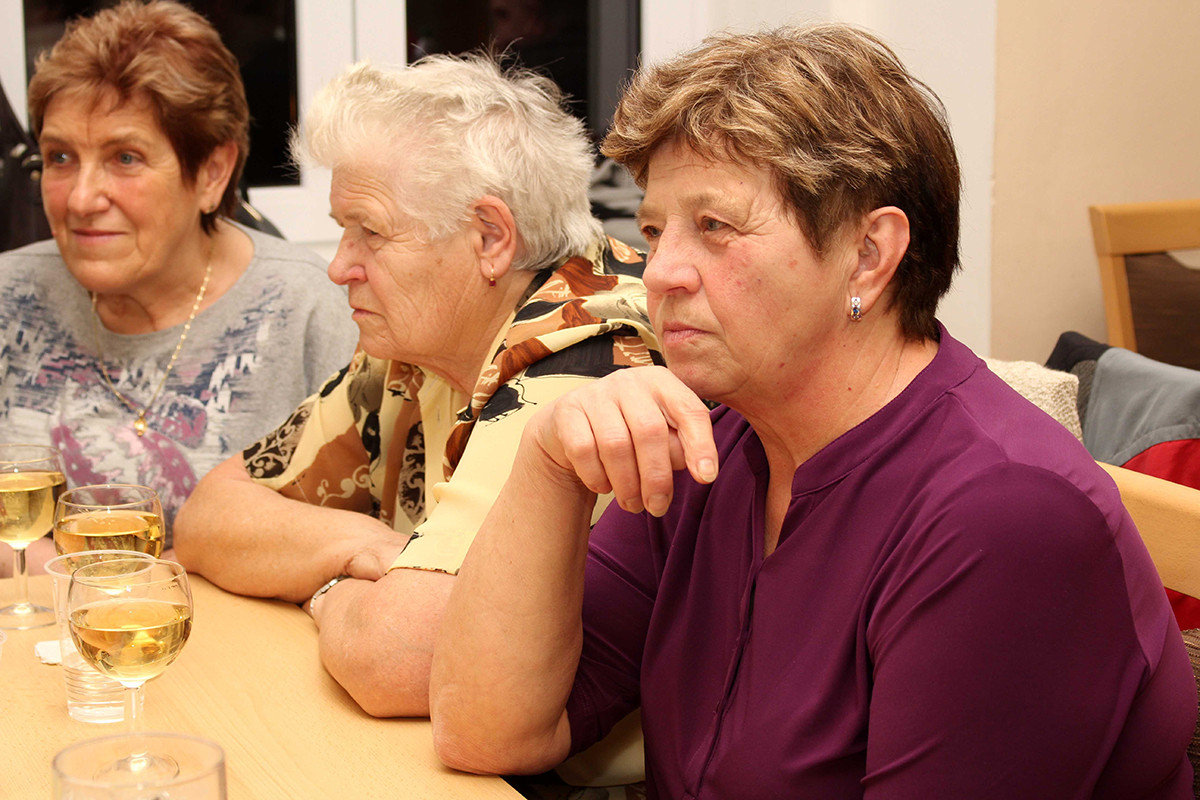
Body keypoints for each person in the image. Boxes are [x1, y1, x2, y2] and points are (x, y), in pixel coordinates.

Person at [430, 24, 1199, 797]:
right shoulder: (714, 440)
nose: (658, 272)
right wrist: (547, 463)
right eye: (656, 230)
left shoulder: (1005, 519)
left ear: (869, 254)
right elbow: (488, 729)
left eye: (715, 227)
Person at [172, 54, 659, 731]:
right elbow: (207, 517)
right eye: (342, 230)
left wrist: (325, 587)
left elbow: (398, 659)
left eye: (370, 232)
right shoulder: (418, 344)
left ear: (490, 237)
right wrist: (357, 543)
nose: (339, 266)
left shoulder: (584, 362)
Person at [0, 0, 358, 571]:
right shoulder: (9, 294)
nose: (81, 198)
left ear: (213, 173)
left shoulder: (311, 309)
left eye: (125, 158)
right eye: (60, 157)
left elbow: (368, 534)